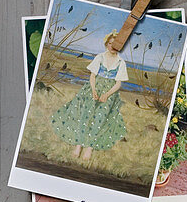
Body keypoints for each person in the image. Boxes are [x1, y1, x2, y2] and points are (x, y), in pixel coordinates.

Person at [50, 31, 129, 164]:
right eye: (110, 43)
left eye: (115, 45)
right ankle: (78, 145)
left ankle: (89, 147)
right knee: (84, 115)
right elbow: (92, 76)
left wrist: (107, 94)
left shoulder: (121, 62)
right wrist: (93, 90)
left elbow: (118, 83)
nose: (112, 46)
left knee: (99, 117)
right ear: (106, 44)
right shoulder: (100, 57)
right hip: (93, 88)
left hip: (109, 92)